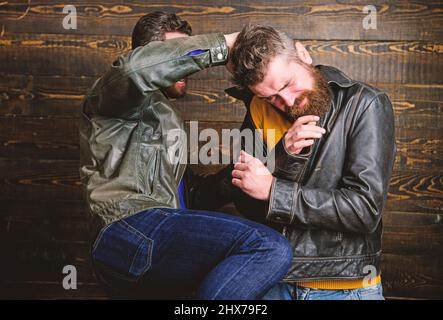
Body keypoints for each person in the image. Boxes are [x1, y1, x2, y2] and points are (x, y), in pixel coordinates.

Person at [79, 12, 293, 300]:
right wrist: (230, 44)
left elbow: (193, 197)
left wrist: (272, 159)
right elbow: (135, 71)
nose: (188, 67)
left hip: (153, 252)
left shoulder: (163, 120)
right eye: (176, 55)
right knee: (268, 247)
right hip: (126, 232)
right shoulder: (114, 98)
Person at [221, 25, 396, 300]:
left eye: (287, 84)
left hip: (342, 289)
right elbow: (246, 202)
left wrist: (273, 191)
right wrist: (282, 156)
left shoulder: (365, 104)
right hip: (273, 281)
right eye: (271, 97)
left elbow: (364, 210)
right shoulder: (259, 108)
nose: (287, 101)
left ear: (302, 54)